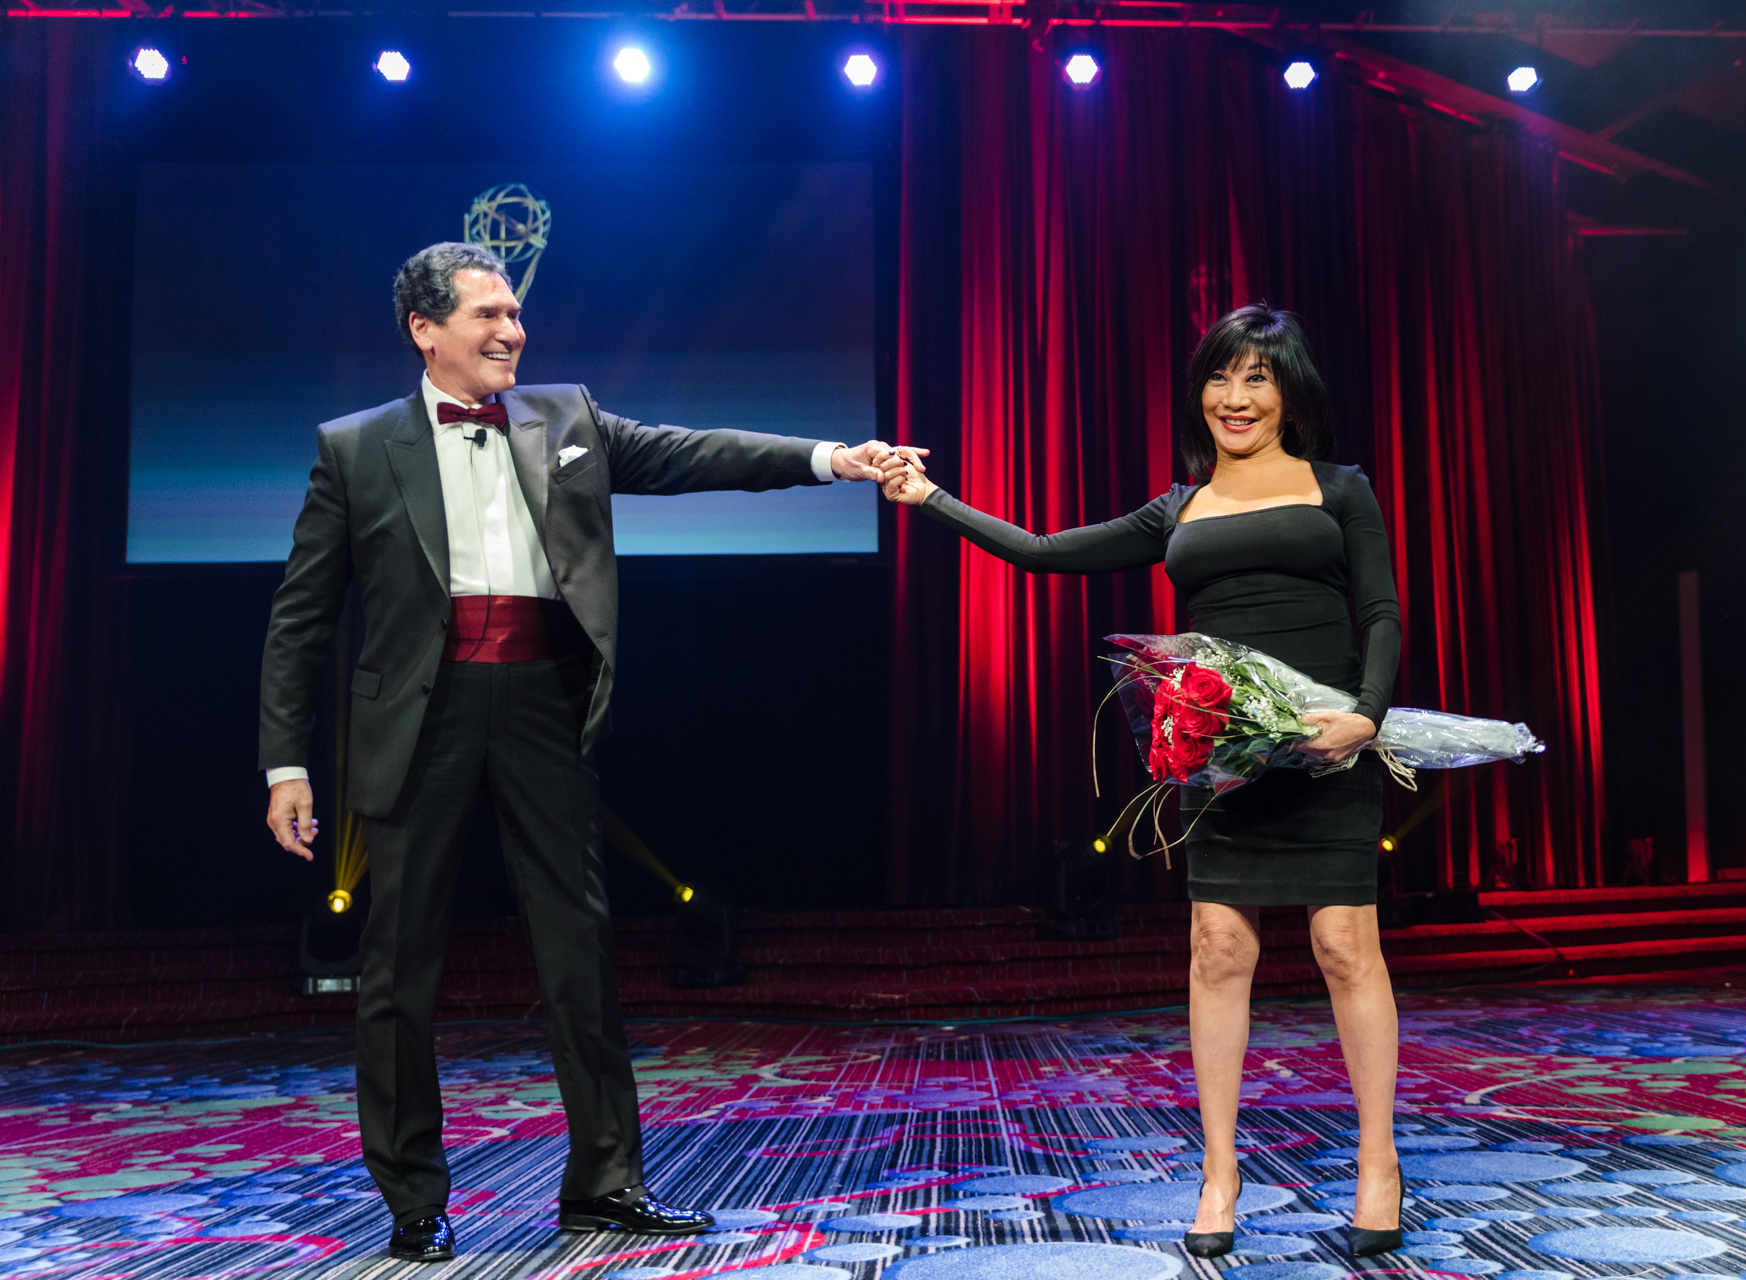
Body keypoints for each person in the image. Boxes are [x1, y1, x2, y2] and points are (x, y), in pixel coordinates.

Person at [259, 242, 917, 1264]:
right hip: (420, 715)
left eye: (515, 313)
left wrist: (835, 457)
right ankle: (414, 1198)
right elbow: (301, 617)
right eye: (486, 315)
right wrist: (285, 763)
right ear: (425, 330)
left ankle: (607, 1183)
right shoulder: (354, 447)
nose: (511, 331)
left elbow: (694, 454)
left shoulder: (565, 417)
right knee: (399, 972)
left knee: (580, 952)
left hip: (542, 701)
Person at [879, 305, 1404, 1260]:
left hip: (1328, 748)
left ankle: (1379, 1165)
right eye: (1219, 378)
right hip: (1224, 755)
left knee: (1343, 946)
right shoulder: (1179, 508)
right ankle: (1220, 1174)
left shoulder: (1340, 490)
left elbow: (1380, 612)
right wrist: (931, 500)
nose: (1235, 398)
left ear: (1291, 395)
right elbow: (1042, 550)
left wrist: (1365, 716)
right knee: (1217, 948)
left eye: (1257, 378)